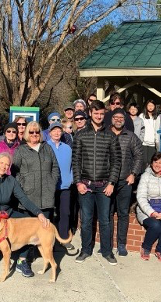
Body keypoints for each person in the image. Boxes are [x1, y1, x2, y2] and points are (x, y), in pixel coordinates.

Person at [0, 152, 49, 277]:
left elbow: (24, 199)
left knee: (29, 226)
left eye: (7, 164)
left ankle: (22, 260)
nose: (4, 166)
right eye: (1, 163)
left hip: (7, 214)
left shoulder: (11, 181)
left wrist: (39, 213)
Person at [73, 101, 122, 265]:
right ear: (90, 113)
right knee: (86, 220)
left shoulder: (110, 136)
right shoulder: (80, 135)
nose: (99, 116)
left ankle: (107, 252)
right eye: (96, 113)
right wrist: (78, 182)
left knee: (105, 221)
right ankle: (85, 250)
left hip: (104, 186)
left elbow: (116, 162)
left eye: (101, 113)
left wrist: (112, 183)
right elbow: (76, 161)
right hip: (85, 185)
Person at [109, 109, 143, 256]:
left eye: (121, 117)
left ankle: (121, 244)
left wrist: (133, 174)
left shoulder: (131, 136)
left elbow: (139, 156)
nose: (118, 119)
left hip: (124, 181)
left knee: (123, 213)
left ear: (124, 120)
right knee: (107, 213)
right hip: (107, 181)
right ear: (112, 119)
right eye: (115, 117)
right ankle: (107, 243)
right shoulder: (105, 134)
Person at [12, 121, 59, 218]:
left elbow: (55, 167)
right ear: (27, 133)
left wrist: (52, 183)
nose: (34, 134)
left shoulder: (47, 148)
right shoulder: (20, 150)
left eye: (37, 132)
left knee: (45, 229)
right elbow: (15, 171)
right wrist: (23, 185)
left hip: (47, 196)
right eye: (31, 132)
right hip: (28, 197)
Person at [136, 152, 161, 262]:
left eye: (160, 162)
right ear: (151, 163)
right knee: (155, 225)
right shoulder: (145, 176)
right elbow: (141, 196)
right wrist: (151, 212)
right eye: (155, 162)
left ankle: (160, 249)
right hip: (147, 208)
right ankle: (146, 247)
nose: (157, 164)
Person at [45, 122, 75, 251]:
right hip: (50, 185)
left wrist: (71, 178)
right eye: (54, 130)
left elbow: (72, 165)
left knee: (65, 212)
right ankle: (49, 238)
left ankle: (63, 238)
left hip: (65, 186)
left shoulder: (67, 148)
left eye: (59, 130)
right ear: (50, 132)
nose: (57, 133)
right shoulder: (45, 146)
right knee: (50, 213)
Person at [139, 100, 161, 167]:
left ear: (154, 106)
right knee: (143, 160)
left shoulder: (157, 117)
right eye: (149, 105)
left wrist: (156, 141)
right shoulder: (142, 116)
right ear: (146, 106)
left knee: (150, 160)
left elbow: (158, 129)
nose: (150, 107)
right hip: (143, 142)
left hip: (152, 143)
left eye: (152, 105)